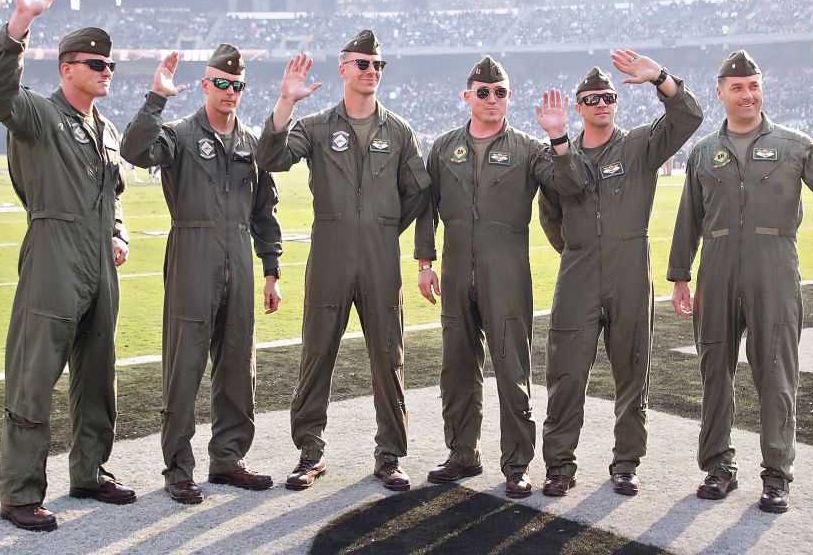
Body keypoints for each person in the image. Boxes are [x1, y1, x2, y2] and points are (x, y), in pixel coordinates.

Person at [667, 49, 813, 514]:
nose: (748, 94)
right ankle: (718, 468)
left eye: (754, 85)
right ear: (721, 92)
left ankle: (777, 474)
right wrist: (680, 275)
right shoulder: (704, 153)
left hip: (775, 271)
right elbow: (690, 218)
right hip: (716, 274)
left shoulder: (794, 145)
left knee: (777, 375)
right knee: (713, 374)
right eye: (738, 87)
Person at [0, 0, 134, 532]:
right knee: (35, 374)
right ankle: (19, 492)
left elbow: (113, 193)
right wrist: (21, 23)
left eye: (110, 65)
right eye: (96, 64)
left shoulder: (107, 129)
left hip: (97, 261)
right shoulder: (39, 115)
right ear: (67, 69)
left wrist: (118, 231)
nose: (106, 72)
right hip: (53, 253)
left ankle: (90, 471)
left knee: (98, 374)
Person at [256, 30, 431, 492]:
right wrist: (286, 103)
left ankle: (389, 455)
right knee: (316, 355)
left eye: (378, 65)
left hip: (380, 258)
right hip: (329, 254)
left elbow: (421, 191)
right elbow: (270, 157)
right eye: (362, 64)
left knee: (388, 359)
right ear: (343, 69)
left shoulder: (398, 131)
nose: (371, 71)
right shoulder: (314, 126)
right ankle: (309, 454)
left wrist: (386, 225)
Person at [536, 51, 703, 498]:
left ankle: (626, 462)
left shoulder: (639, 146)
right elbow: (550, 217)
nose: (601, 103)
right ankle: (559, 466)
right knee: (566, 372)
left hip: (631, 270)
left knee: (633, 371)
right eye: (591, 98)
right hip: (578, 274)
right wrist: (580, 251)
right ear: (578, 106)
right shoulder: (558, 155)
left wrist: (660, 78)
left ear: (616, 102)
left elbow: (689, 117)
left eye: (607, 96)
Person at [413, 55, 582, 499]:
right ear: (467, 96)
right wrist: (425, 263)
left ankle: (517, 464)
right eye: (483, 92)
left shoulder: (529, 149)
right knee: (456, 368)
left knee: (512, 369)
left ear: (510, 98)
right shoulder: (445, 146)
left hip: (506, 272)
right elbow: (426, 208)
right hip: (453, 272)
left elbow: (572, 185)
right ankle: (462, 453)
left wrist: (559, 137)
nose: (492, 99)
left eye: (500, 92)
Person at [122, 45, 283, 505]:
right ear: (205, 85)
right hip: (192, 251)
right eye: (221, 83)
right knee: (184, 365)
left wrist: (271, 268)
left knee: (238, 366)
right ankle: (178, 468)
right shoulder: (178, 135)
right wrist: (156, 98)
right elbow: (135, 151)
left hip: (239, 257)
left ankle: (228, 460)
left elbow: (264, 213)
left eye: (237, 85)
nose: (229, 92)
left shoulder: (252, 144)